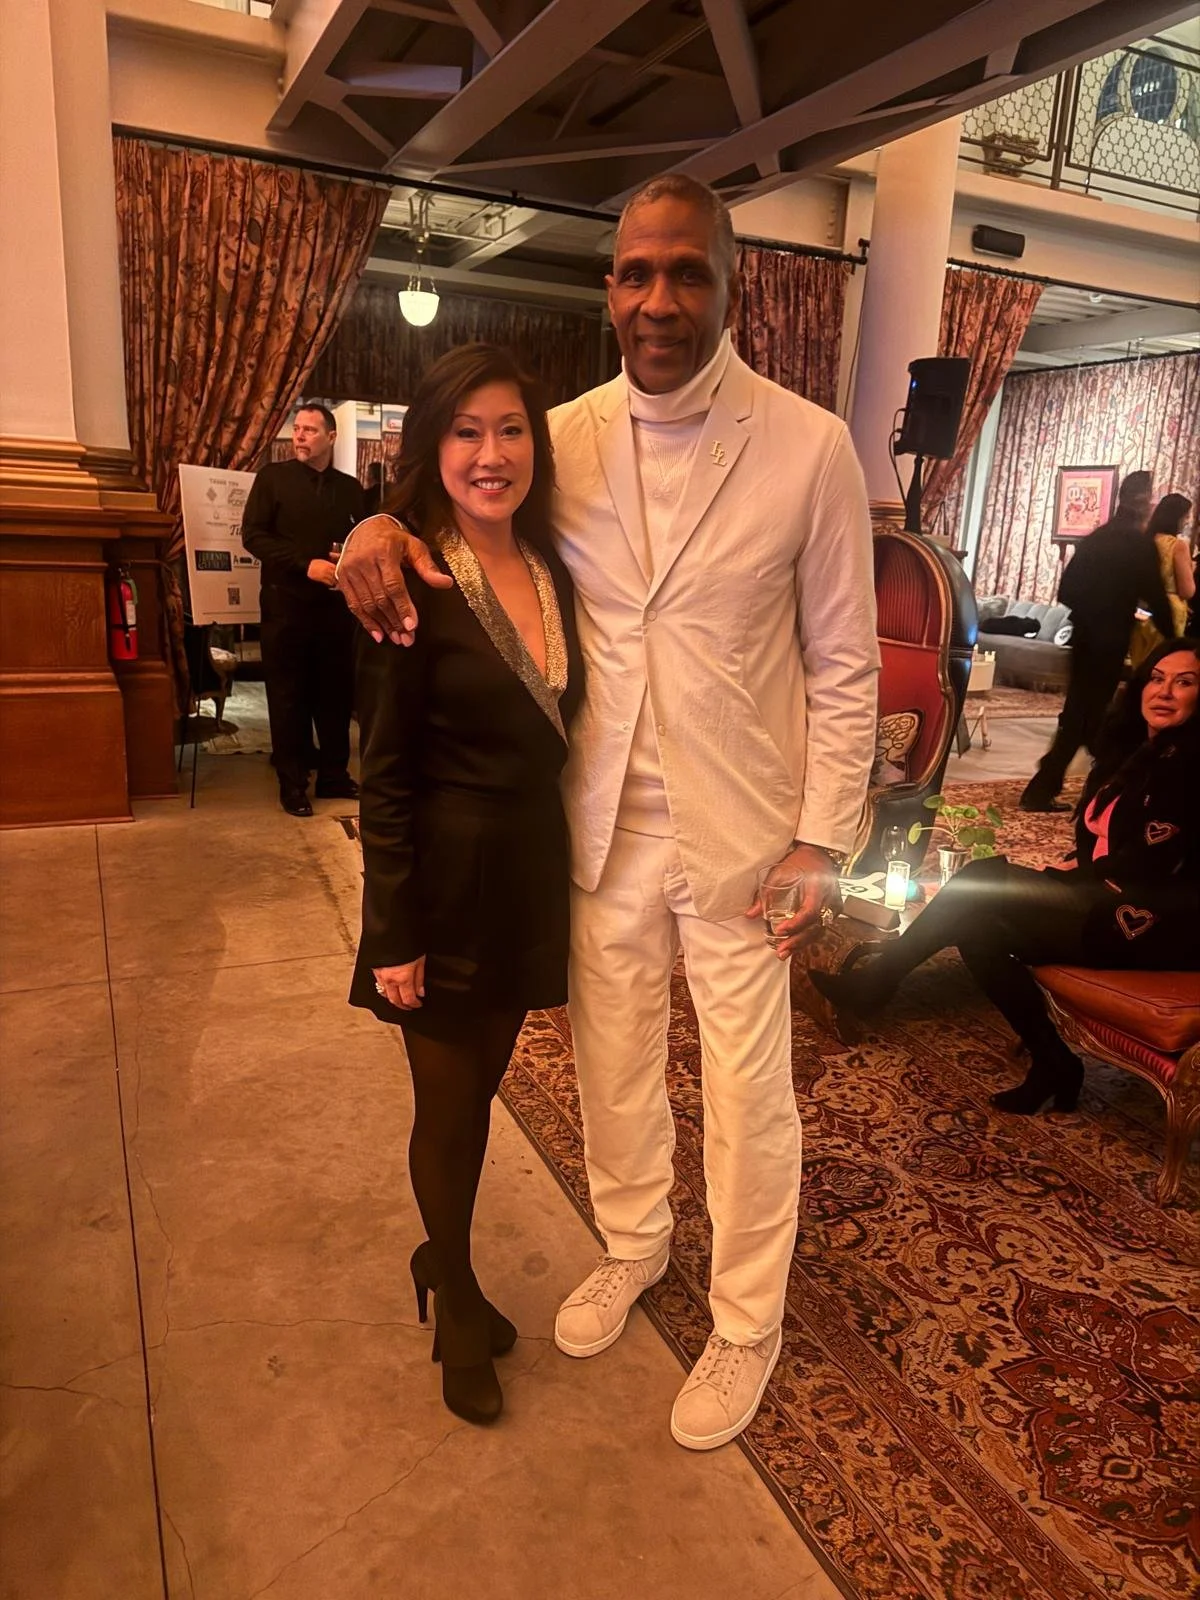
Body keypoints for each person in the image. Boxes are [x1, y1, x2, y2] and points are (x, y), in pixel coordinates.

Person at [339, 175, 880, 1451]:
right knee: (613, 1061)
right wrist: (373, 513)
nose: (658, 298)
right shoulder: (560, 433)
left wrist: (823, 836)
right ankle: (634, 1243)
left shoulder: (811, 445)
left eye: (686, 272)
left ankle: (748, 1317)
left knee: (751, 1089)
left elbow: (846, 660)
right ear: (608, 287)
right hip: (593, 825)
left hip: (747, 833)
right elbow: (453, 517)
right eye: (636, 273)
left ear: (732, 282)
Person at [348, 346, 583, 1426]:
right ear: (431, 447)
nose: (491, 454)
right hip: (439, 886)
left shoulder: (556, 568)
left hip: (528, 875)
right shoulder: (411, 576)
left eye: (511, 429)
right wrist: (393, 931)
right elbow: (383, 777)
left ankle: (444, 1260)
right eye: (466, 431)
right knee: (448, 1113)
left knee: (481, 1099)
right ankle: (454, 1295)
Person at [814, 637, 1200, 1111]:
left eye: (1184, 683)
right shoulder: (1134, 752)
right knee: (979, 924)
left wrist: (1063, 885)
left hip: (1151, 921)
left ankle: (878, 981)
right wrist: (1070, 871)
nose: (1164, 691)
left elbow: (1147, 864)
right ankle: (1054, 1059)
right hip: (1106, 893)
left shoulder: (1187, 765)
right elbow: (1105, 844)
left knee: (980, 885)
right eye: (1157, 678)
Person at [1019, 470, 1174, 813]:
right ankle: (1103, 785)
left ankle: (1064, 785)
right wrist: (1176, 642)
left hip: (1085, 636)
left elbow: (1067, 590)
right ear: (1141, 501)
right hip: (1109, 639)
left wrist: (1096, 611)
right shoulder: (1136, 544)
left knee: (1082, 715)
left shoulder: (1097, 538)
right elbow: (1156, 597)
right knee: (1089, 717)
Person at [242, 403, 365, 816]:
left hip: (335, 612)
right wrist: (305, 563)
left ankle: (333, 776)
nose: (299, 436)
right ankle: (292, 784)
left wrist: (345, 556)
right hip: (286, 607)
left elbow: (361, 541)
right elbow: (253, 536)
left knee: (334, 696)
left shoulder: (350, 490)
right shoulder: (272, 479)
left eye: (310, 430)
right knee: (288, 698)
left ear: (331, 437)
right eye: (297, 429)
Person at [1129, 494, 1195, 669]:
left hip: (1141, 610)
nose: (1187, 522)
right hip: (1168, 611)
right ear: (1177, 517)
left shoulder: (1144, 541)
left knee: (1140, 666)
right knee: (1163, 665)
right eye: (1186, 516)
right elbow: (1187, 590)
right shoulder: (1177, 545)